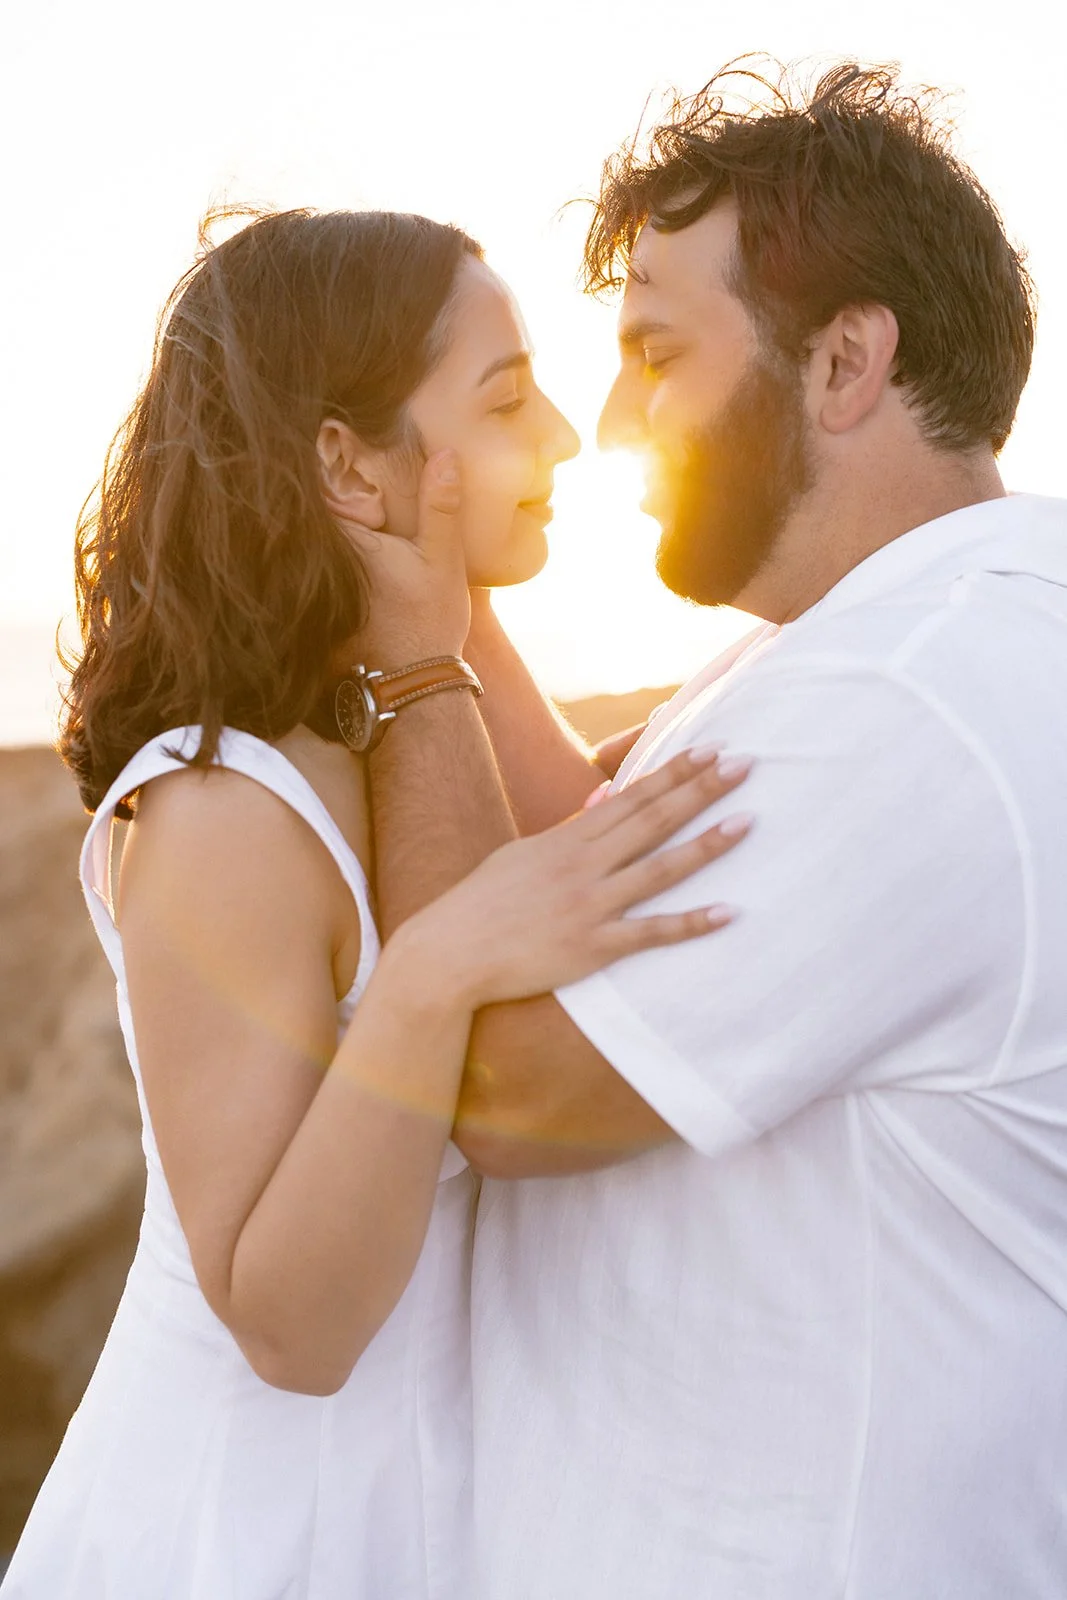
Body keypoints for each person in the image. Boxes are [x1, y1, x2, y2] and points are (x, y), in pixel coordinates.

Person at [355, 63, 1067, 1598]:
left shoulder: (912, 700)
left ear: (842, 363)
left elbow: (498, 1083)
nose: (607, 422)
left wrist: (410, 653)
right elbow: (578, 843)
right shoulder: (860, 647)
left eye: (655, 352)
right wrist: (448, 560)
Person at [0, 209, 754, 1600]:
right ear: (345, 463)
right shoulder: (227, 809)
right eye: (508, 400)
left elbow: (565, 826)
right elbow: (290, 1328)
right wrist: (428, 979)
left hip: (423, 1523)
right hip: (239, 1543)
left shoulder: (414, 707)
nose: (571, 443)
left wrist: (436, 609)